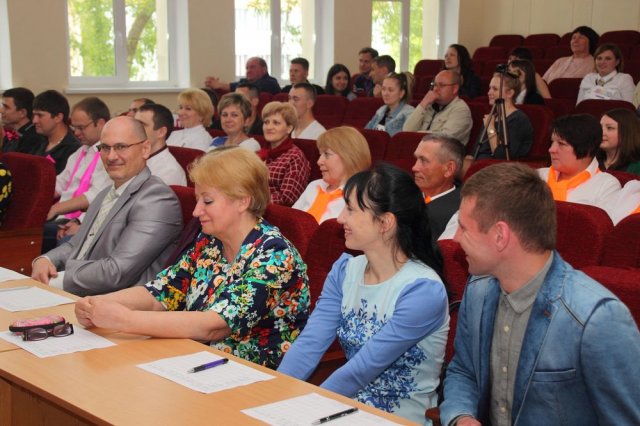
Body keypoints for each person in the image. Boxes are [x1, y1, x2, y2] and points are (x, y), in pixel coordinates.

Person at [440, 162, 640, 426]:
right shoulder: (478, 290)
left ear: (500, 235)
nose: (455, 238)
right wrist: (462, 416)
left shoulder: (596, 318)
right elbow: (464, 371)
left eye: (464, 228)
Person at [74, 147, 310, 369]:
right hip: (195, 359)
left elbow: (214, 326)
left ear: (243, 201)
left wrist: (124, 320)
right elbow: (162, 292)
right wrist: (97, 303)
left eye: (207, 201)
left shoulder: (274, 256)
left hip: (252, 376)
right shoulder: (210, 241)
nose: (196, 211)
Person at [279, 163, 449, 424]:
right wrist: (274, 393)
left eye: (350, 209)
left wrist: (306, 410)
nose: (340, 219)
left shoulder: (422, 290)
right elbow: (310, 343)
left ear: (385, 222)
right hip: (342, 409)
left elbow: (363, 369)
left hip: (394, 418)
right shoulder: (345, 270)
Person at [31, 116, 183, 296]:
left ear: (145, 149)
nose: (111, 156)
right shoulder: (105, 194)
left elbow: (117, 272)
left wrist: (54, 280)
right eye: (105, 147)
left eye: (121, 147)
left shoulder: (156, 199)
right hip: (82, 294)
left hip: (118, 303)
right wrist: (46, 260)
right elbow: (75, 246)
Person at [42, 97, 113, 252]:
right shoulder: (79, 152)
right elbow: (58, 184)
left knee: (56, 240)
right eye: (74, 127)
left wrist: (58, 209)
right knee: (26, 231)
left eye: (81, 127)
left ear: (101, 123)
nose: (76, 132)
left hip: (84, 220)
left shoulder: (109, 156)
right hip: (62, 218)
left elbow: (96, 196)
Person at [537, 114, 620, 212]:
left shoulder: (606, 186)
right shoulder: (538, 175)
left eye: (561, 144)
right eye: (552, 142)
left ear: (587, 149)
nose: (551, 149)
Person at [293, 126, 371, 223]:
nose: (319, 161)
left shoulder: (360, 196)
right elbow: (289, 220)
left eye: (326, 154)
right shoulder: (314, 185)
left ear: (349, 157)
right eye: (320, 155)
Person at [412, 134, 465, 243]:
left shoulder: (459, 213)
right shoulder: (401, 191)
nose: (414, 168)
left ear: (449, 169)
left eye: (424, 161)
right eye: (416, 159)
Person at [473, 71, 533, 160]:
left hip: (497, 166)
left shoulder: (518, 120)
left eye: (495, 89)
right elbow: (475, 151)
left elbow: (502, 156)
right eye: (489, 88)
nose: (489, 92)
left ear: (510, 93)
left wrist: (490, 128)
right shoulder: (493, 116)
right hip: (479, 162)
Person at [403, 70, 473, 146]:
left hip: (442, 152)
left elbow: (445, 139)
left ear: (455, 89)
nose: (435, 89)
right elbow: (406, 131)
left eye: (441, 85)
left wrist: (415, 135)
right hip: (420, 149)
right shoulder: (429, 105)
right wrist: (423, 103)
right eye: (435, 85)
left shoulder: (461, 110)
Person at [260, 102, 310, 206]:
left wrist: (253, 202)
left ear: (289, 128)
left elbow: (287, 199)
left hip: (272, 213)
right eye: (266, 122)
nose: (269, 127)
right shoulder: (260, 153)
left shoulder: (295, 157)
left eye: (276, 123)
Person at [135, 103, 188, 185]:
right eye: (134, 124)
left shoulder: (169, 172)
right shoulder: (133, 157)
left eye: (141, 125)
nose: (133, 130)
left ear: (161, 132)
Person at [32, 90, 81, 174]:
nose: (34, 121)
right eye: (34, 115)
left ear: (58, 117)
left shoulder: (73, 149)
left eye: (40, 115)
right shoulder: (37, 141)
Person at [365, 73, 414, 137]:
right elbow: (366, 131)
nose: (385, 93)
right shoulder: (381, 110)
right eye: (383, 89)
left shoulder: (409, 112)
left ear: (401, 93)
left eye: (390, 90)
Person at [0, 87, 47, 154]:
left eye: (6, 107)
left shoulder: (34, 140)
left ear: (22, 113)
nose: (1, 110)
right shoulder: (11, 135)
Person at [205, 56, 281, 95]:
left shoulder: (271, 83)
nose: (248, 71)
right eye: (247, 68)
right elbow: (236, 85)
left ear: (264, 70)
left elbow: (250, 88)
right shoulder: (244, 81)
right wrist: (215, 84)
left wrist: (220, 85)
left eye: (252, 67)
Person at [597, 108, 640, 174]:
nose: (601, 132)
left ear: (627, 133)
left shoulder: (637, 167)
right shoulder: (590, 161)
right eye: (600, 127)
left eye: (609, 128)